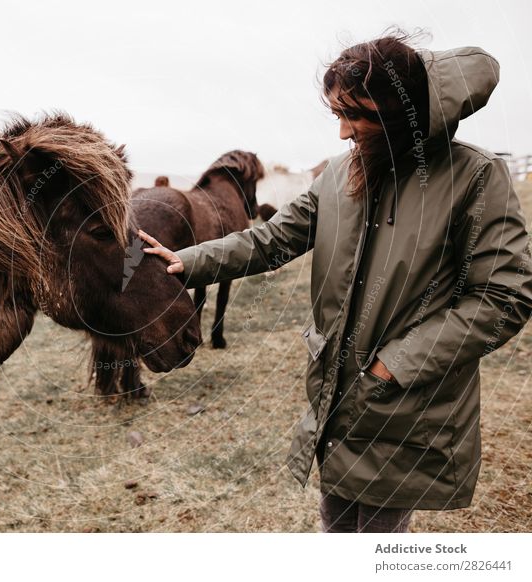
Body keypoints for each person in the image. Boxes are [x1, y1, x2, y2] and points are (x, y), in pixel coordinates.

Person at [139, 32, 532, 533]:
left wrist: (397, 365)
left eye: (358, 115)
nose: (344, 133)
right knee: (337, 525)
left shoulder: (473, 177)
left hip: (408, 402)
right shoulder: (341, 173)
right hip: (338, 395)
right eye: (336, 115)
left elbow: (503, 296)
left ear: (402, 112)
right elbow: (273, 238)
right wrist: (189, 259)